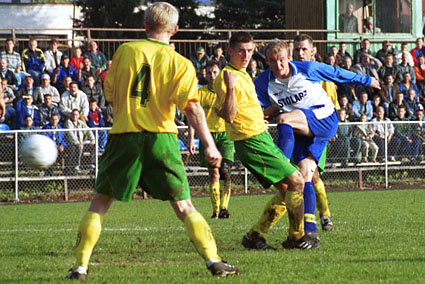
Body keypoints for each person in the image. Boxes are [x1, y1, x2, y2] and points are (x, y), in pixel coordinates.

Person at [65, 3, 240, 280]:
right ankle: (213, 260)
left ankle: (80, 267)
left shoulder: (124, 51)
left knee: (99, 202)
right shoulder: (181, 63)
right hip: (163, 138)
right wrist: (209, 143)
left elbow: (109, 95)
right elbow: (192, 108)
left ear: (145, 26)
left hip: (124, 136)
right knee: (184, 206)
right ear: (176, 30)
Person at [255, 38, 380, 239]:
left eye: (281, 60)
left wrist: (366, 80)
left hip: (324, 117)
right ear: (267, 61)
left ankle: (281, 165)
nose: (277, 66)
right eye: (272, 61)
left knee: (284, 119)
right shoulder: (263, 82)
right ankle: (311, 232)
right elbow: (249, 102)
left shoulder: (307, 69)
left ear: (289, 58)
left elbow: (337, 73)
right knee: (304, 177)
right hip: (302, 127)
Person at [213, 32, 313, 251]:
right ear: (230, 51)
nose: (246, 55)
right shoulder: (227, 77)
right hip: (251, 141)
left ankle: (254, 236)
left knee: (288, 188)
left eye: (250, 51)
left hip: (259, 137)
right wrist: (230, 87)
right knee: (296, 181)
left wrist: (261, 117)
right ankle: (297, 237)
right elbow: (229, 115)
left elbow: (246, 108)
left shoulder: (244, 74)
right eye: (241, 50)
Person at [188, 61, 234, 219]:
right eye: (209, 73)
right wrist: (191, 139)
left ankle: (224, 208)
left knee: (226, 171)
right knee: (214, 173)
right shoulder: (200, 93)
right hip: (208, 136)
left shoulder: (227, 91)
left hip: (226, 135)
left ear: (220, 73)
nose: (212, 75)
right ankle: (215, 210)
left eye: (215, 72)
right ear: (205, 74)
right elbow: (192, 116)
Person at [64, 108, 95, 174]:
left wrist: (92, 140)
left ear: (78, 116)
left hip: (81, 143)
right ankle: (77, 166)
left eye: (76, 115)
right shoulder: (68, 123)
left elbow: (88, 131)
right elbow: (70, 134)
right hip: (72, 144)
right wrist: (78, 143)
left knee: (93, 145)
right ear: (71, 115)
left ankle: (92, 165)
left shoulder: (81, 123)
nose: (74, 116)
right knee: (77, 147)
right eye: (73, 115)